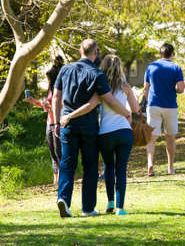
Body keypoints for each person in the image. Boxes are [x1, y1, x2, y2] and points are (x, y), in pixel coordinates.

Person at [52, 39, 130, 218]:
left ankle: (63, 198)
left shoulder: (65, 69)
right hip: (88, 125)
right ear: (95, 53)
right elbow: (108, 99)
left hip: (67, 124)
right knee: (90, 165)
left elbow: (56, 96)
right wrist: (126, 112)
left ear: (80, 50)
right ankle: (88, 208)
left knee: (67, 163)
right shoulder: (97, 74)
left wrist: (57, 122)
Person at [143, 42, 185, 176]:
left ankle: (150, 164)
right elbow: (181, 88)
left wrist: (147, 100)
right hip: (170, 106)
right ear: (172, 54)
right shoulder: (176, 68)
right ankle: (170, 168)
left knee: (151, 137)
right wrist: (174, 89)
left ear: (160, 54)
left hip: (153, 104)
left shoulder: (151, 66)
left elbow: (145, 88)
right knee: (170, 137)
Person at [26, 55, 64, 185]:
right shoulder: (49, 92)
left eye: (48, 80)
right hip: (49, 123)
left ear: (52, 79)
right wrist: (33, 101)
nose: (46, 81)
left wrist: (50, 107)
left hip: (57, 123)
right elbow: (46, 106)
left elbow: (62, 108)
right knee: (52, 152)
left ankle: (62, 177)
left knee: (59, 152)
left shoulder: (60, 92)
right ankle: (55, 179)